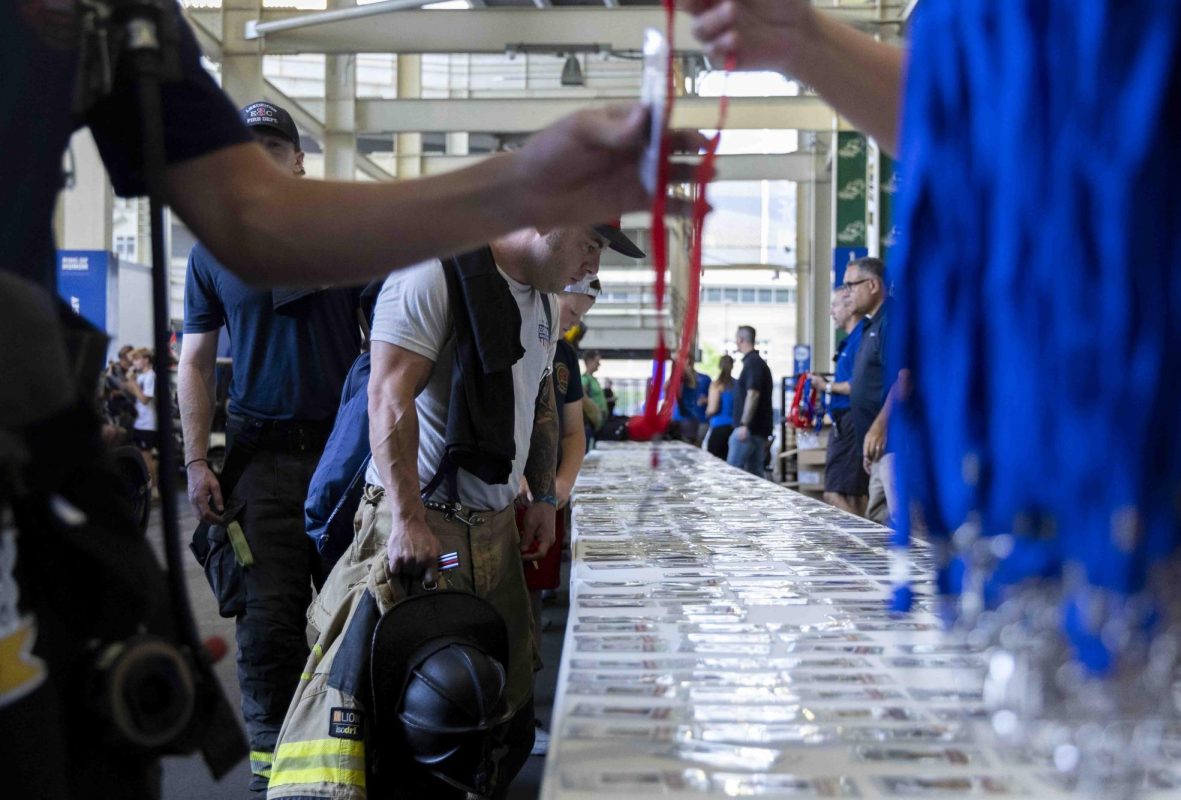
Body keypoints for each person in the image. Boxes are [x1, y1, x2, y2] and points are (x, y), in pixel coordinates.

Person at [4, 2, 704, 794]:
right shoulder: (420, 281)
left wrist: (519, 183)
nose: (588, 261)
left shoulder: (110, 19)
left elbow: (253, 213)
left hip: (36, 487)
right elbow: (349, 378)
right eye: (586, 241)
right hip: (290, 469)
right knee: (294, 644)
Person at [271, 224, 614, 800]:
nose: (593, 264)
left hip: (495, 534)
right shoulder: (432, 273)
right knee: (410, 709)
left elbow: (540, 405)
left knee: (493, 715)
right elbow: (388, 395)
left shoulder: (545, 308)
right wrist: (407, 520)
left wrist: (544, 497)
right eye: (591, 244)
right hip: (427, 533)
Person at [177, 101, 365, 792]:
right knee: (266, 632)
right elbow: (194, 362)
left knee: (354, 621)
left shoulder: (347, 242)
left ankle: (349, 768)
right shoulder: (211, 252)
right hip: (261, 470)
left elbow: (399, 346)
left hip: (344, 465)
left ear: (297, 161)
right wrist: (197, 460)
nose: (260, 158)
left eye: (272, 146)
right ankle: (273, 780)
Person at [520, 275, 607, 757]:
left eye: (578, 317)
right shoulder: (510, 326)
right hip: (492, 495)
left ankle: (522, 713)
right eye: (572, 313)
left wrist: (559, 489)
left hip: (542, 500)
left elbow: (572, 433)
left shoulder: (564, 356)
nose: (572, 324)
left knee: (529, 607)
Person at [838, 257, 894, 525]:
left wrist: (880, 427)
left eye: (851, 285)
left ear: (872, 284)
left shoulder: (890, 321)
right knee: (877, 524)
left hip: (894, 443)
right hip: (877, 448)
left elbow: (905, 377)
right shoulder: (871, 324)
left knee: (912, 528)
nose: (847, 293)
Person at [812, 290, 867, 515]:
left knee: (833, 494)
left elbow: (860, 384)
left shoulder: (862, 338)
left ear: (850, 307)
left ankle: (863, 544)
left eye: (834, 306)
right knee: (855, 496)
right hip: (847, 421)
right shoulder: (851, 340)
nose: (830, 312)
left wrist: (825, 386)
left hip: (851, 423)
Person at [727, 326, 775, 477]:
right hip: (756, 431)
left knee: (732, 473)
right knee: (754, 475)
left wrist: (744, 424)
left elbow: (753, 394)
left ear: (741, 340)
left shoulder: (753, 363)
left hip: (748, 431)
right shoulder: (758, 363)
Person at [124, 347, 158, 493]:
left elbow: (144, 399)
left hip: (148, 423)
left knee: (146, 457)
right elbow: (131, 392)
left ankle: (154, 489)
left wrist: (133, 382)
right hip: (140, 421)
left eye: (137, 359)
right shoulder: (141, 376)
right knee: (140, 456)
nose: (135, 363)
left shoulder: (151, 376)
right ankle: (145, 485)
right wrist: (129, 380)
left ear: (145, 360)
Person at [671, 353, 711, 445]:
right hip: (679, 419)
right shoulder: (675, 380)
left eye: (689, 360)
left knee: (695, 447)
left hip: (699, 419)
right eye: (684, 360)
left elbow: (715, 398)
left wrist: (706, 400)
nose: (687, 362)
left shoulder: (705, 379)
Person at [705, 354, 737, 461]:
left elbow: (713, 408)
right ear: (732, 366)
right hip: (734, 429)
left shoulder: (716, 384)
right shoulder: (738, 385)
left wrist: (707, 414)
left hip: (719, 429)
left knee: (715, 467)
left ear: (719, 366)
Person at [580, 349, 607, 449]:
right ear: (590, 361)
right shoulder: (585, 379)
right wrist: (594, 410)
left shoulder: (593, 379)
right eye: (597, 361)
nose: (599, 364)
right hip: (590, 423)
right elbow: (582, 396)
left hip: (597, 424)